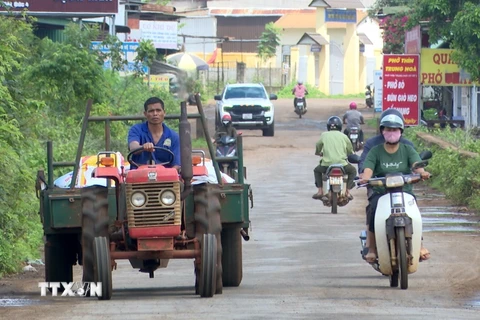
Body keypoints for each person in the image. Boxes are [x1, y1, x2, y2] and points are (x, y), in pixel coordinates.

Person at [359, 111, 431, 263]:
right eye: (388, 129)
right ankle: (371, 247)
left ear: (401, 131)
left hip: (404, 190)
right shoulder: (375, 150)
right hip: (381, 191)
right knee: (373, 209)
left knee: (414, 212)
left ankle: (420, 244)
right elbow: (368, 168)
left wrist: (422, 173)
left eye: (395, 130)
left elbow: (416, 165)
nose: (391, 133)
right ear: (382, 131)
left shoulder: (408, 149)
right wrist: (365, 177)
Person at [128, 97, 181, 171]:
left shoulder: (174, 136)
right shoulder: (136, 129)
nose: (155, 114)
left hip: (165, 178)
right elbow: (133, 147)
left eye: (158, 110)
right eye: (151, 111)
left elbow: (177, 165)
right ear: (145, 114)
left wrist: (166, 175)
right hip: (139, 176)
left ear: (164, 113)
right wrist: (143, 147)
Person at [313, 116, 357, 201]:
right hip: (342, 164)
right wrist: (350, 153)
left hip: (326, 164)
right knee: (353, 171)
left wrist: (318, 152)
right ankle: (348, 192)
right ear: (340, 126)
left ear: (328, 126)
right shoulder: (344, 136)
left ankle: (320, 191)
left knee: (317, 170)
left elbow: (318, 145)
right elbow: (350, 149)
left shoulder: (324, 135)